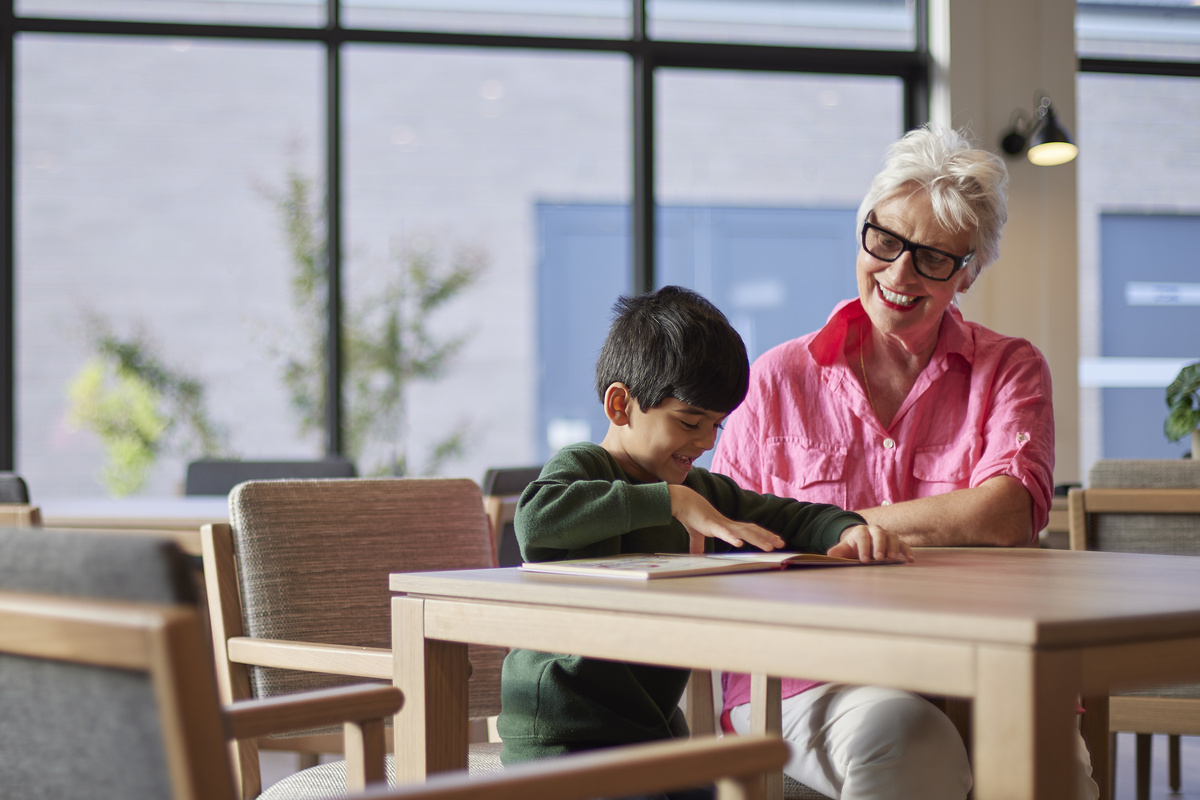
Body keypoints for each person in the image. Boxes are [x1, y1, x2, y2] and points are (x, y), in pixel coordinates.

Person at [711, 125, 1096, 800]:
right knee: (910, 739)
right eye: (885, 242)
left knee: (1052, 771)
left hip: (983, 665)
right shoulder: (775, 380)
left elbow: (1006, 511)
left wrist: (831, 525)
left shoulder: (1010, 370)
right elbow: (723, 541)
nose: (897, 274)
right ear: (863, 230)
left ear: (968, 271)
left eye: (931, 259)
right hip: (804, 675)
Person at [496, 285, 910, 800]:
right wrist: (667, 500)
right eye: (690, 422)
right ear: (621, 404)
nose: (707, 441)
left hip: (649, 736)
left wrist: (846, 528)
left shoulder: (702, 492)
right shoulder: (583, 468)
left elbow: (782, 514)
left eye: (716, 425)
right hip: (563, 738)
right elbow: (535, 520)